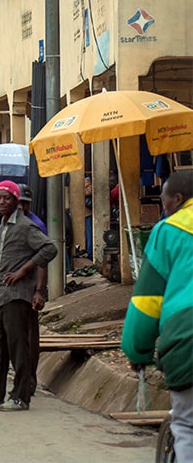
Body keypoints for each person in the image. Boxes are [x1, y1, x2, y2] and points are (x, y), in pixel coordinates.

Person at [121, 170, 192, 461]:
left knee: (187, 426)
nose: (163, 206)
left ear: (177, 199)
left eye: (163, 200)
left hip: (187, 339)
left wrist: (137, 352)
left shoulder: (169, 231)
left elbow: (146, 302)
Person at [0, 180, 56, 412]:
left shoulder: (26, 226)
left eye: (7, 198)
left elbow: (49, 249)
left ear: (17, 201)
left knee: (19, 349)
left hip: (17, 297)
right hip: (0, 298)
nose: (1, 202)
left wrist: (24, 271)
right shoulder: (3, 226)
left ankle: (20, 396)